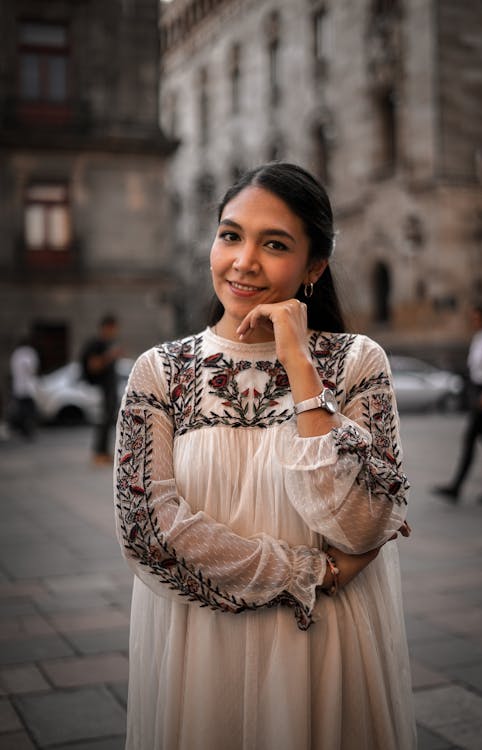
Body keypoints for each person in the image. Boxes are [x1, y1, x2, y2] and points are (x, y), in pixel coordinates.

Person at [114, 163, 416, 750]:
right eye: (230, 235)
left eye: (274, 244)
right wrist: (310, 573)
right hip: (201, 644)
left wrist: (301, 369)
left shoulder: (356, 362)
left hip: (327, 648)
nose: (243, 260)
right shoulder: (161, 371)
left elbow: (359, 521)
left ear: (314, 266)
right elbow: (149, 530)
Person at [434, 304, 482, 503]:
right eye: (472, 318)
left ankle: (456, 486)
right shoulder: (479, 338)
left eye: (477, 317)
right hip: (478, 389)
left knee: (471, 437)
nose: (474, 321)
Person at [82, 314, 122, 465]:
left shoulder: (108, 343)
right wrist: (109, 356)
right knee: (102, 421)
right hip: (100, 389)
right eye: (113, 328)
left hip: (109, 390)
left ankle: (104, 452)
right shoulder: (96, 344)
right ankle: (98, 453)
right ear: (107, 327)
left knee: (108, 421)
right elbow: (93, 365)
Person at [9, 335, 39, 439]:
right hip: (27, 387)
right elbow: (31, 369)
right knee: (29, 411)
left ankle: (23, 430)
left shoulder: (16, 354)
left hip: (19, 386)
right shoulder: (28, 353)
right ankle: (27, 430)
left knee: (21, 409)